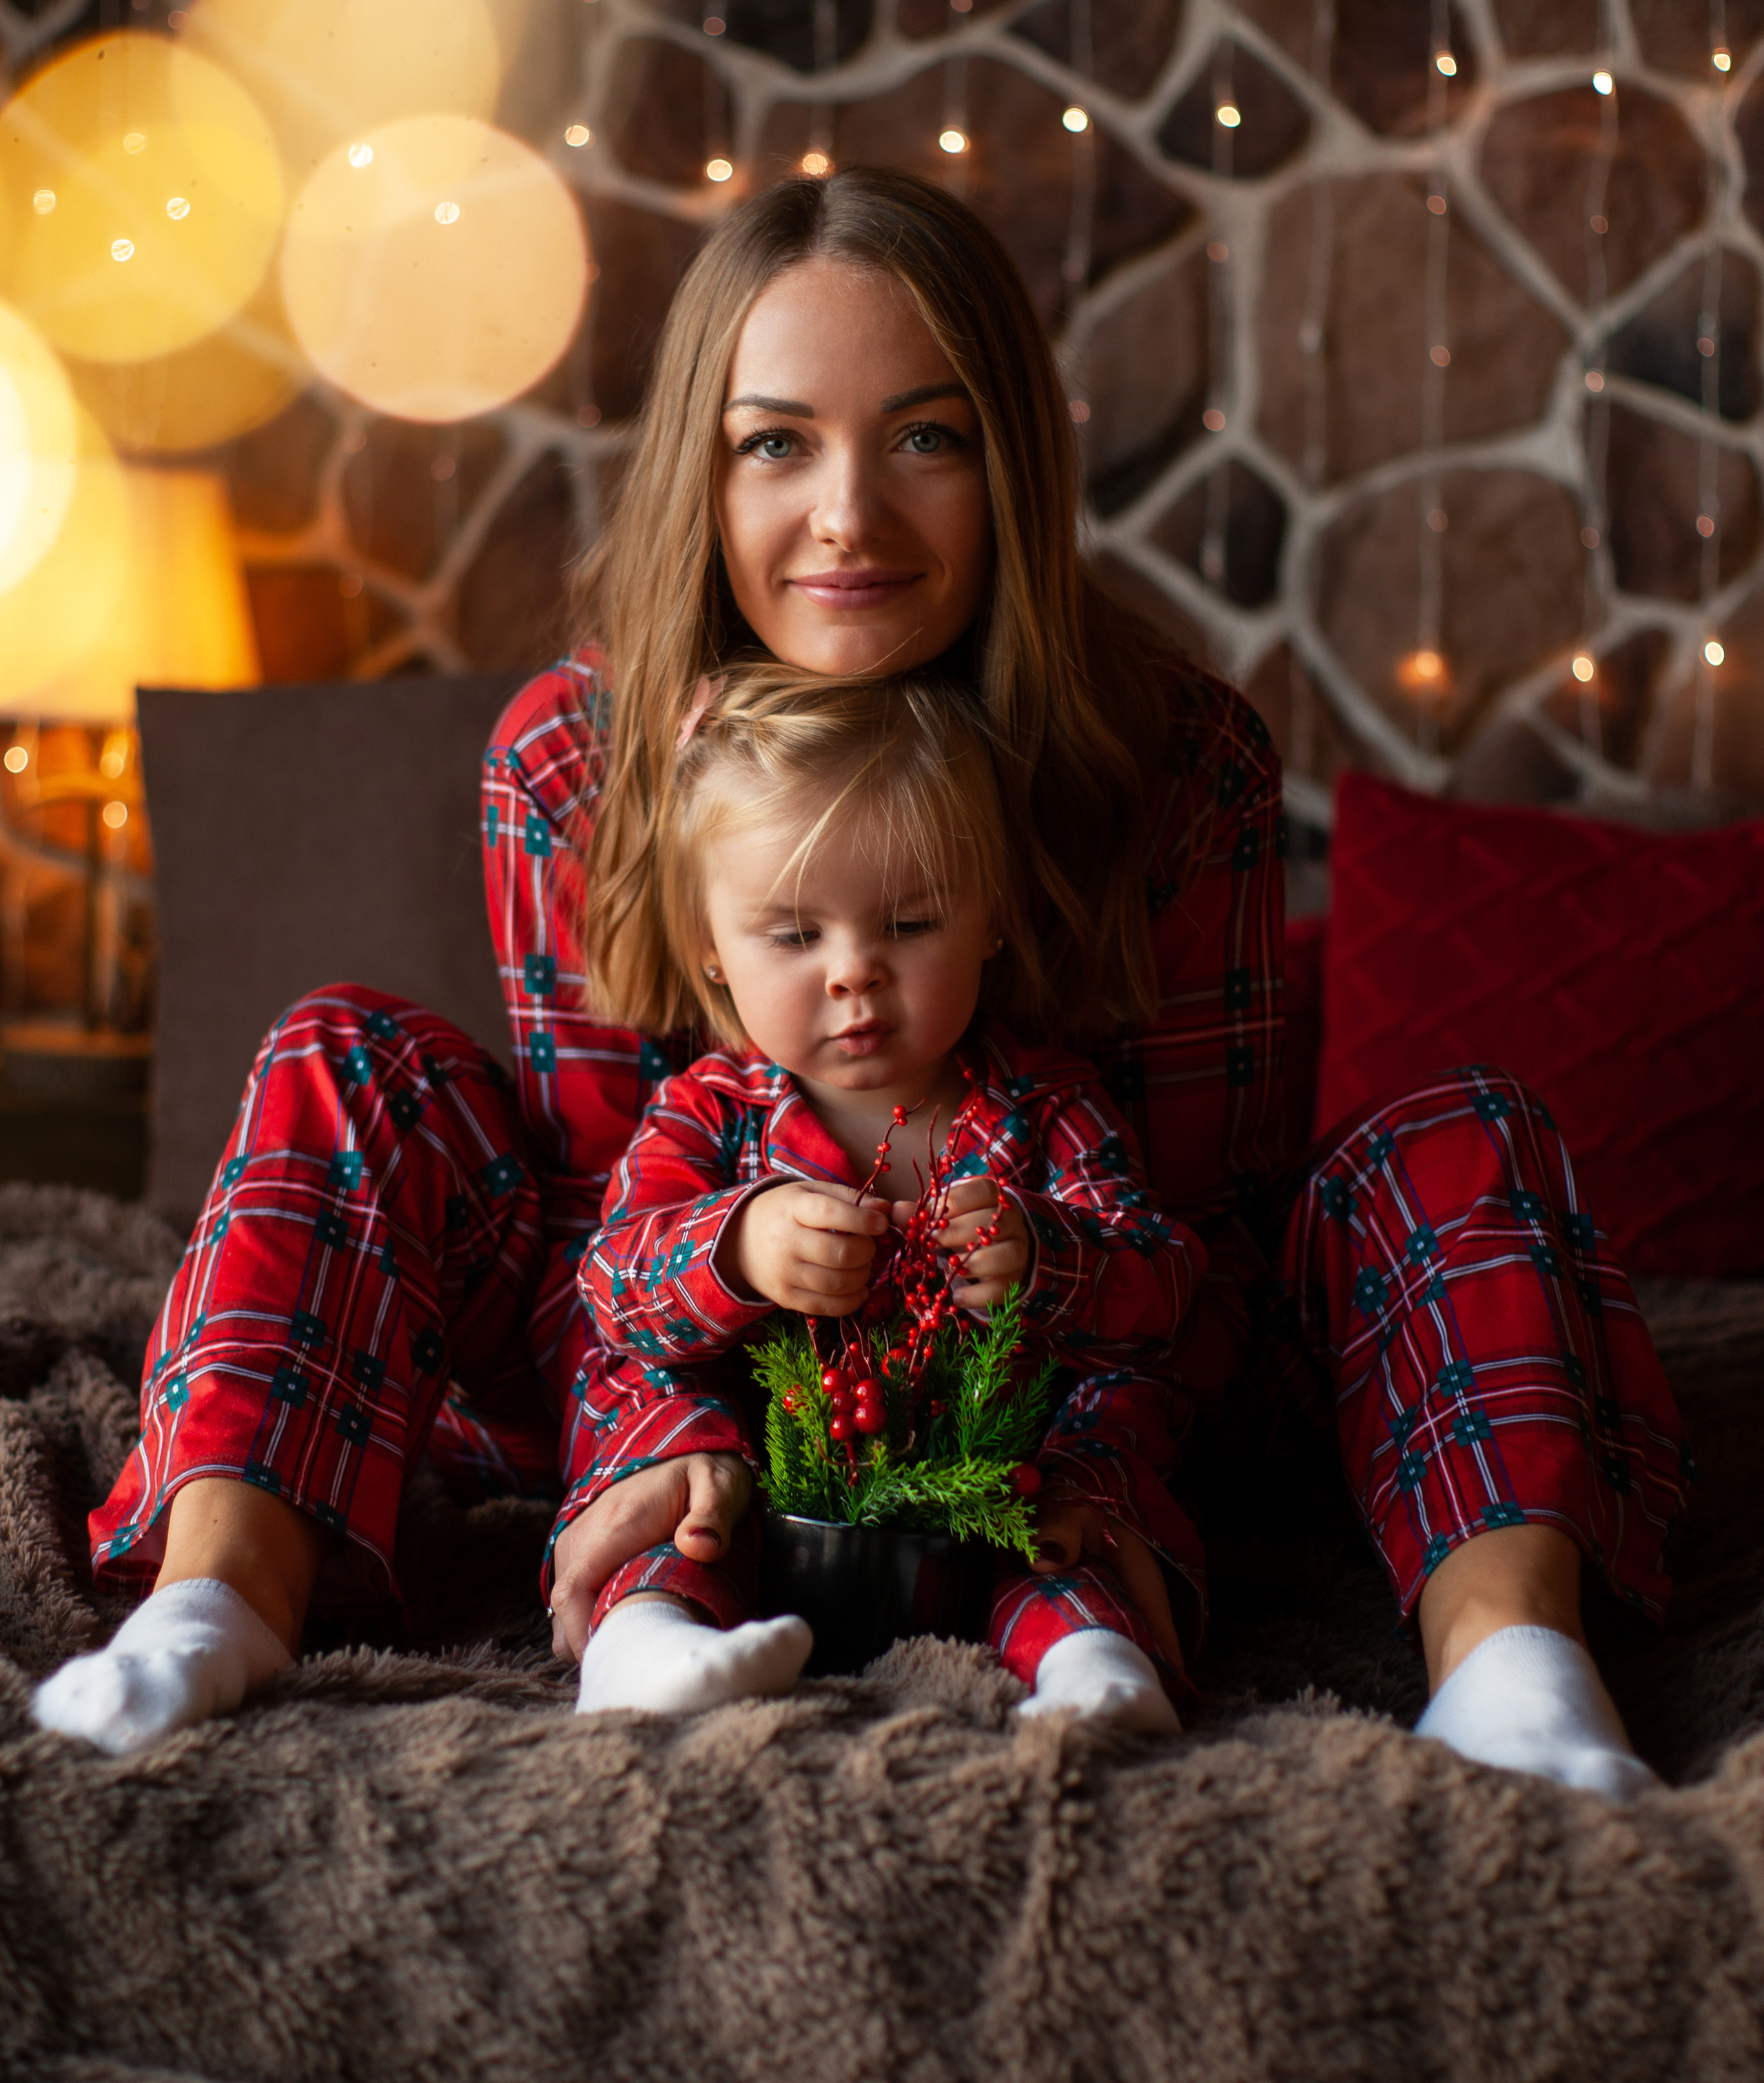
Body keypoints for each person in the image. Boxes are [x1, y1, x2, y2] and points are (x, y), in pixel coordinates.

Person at [35, 168, 1682, 1801]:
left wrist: (1049, 1454)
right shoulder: (574, 754)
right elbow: (603, 1223)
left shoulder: (1175, 763)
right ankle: (214, 1604)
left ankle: (1513, 1673)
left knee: (1458, 1131)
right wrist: (682, 1480)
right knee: (344, 1050)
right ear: (706, 462)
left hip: (1059, 1378)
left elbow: (1208, 1260)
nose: (845, 514)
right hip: (685, 1364)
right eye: (775, 441)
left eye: (922, 435)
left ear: (1006, 465)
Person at [570, 661, 1196, 1730]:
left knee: (1071, 1488)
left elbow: (1167, 1287)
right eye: (796, 935)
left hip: (984, 1486)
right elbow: (614, 1283)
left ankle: (1093, 1662)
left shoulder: (1046, 1109)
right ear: (710, 954)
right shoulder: (708, 1114)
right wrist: (741, 1243)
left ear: (991, 918)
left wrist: (1050, 1259)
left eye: (908, 923)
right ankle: (647, 1645)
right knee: (677, 1454)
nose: (855, 972)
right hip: (773, 1495)